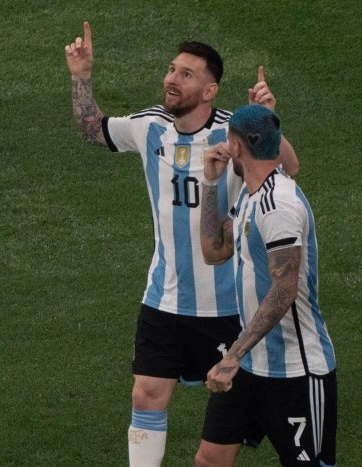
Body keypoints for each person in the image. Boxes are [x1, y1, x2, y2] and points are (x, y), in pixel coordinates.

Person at [64, 21, 299, 466]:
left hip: (228, 306)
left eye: (185, 74)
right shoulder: (149, 126)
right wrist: (81, 74)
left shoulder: (233, 132)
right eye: (171, 70)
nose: (172, 79)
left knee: (233, 422)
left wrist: (269, 121)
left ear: (210, 90)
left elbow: (288, 166)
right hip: (164, 296)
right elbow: (91, 129)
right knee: (146, 393)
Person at [196, 104, 337, 466]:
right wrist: (211, 184)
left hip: (295, 372)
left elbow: (283, 291)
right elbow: (215, 251)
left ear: (237, 147)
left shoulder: (278, 205)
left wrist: (232, 356)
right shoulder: (249, 194)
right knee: (209, 460)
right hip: (250, 366)